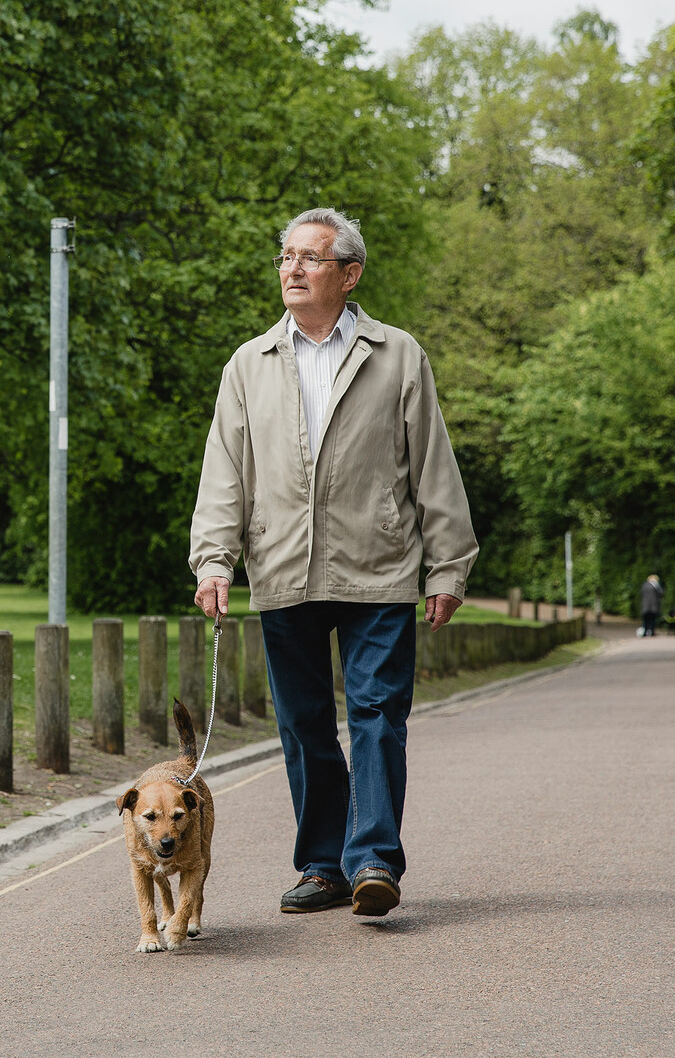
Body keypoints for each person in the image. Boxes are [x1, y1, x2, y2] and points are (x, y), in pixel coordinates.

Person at [190, 208, 477, 918]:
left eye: (310, 259)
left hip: (379, 566)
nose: (291, 269)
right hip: (283, 568)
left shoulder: (398, 354)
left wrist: (448, 566)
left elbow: (432, 467)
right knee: (305, 724)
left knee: (378, 712)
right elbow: (226, 470)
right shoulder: (248, 364)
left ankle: (374, 858)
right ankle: (323, 865)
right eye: (286, 257)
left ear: (349, 274)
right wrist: (214, 560)